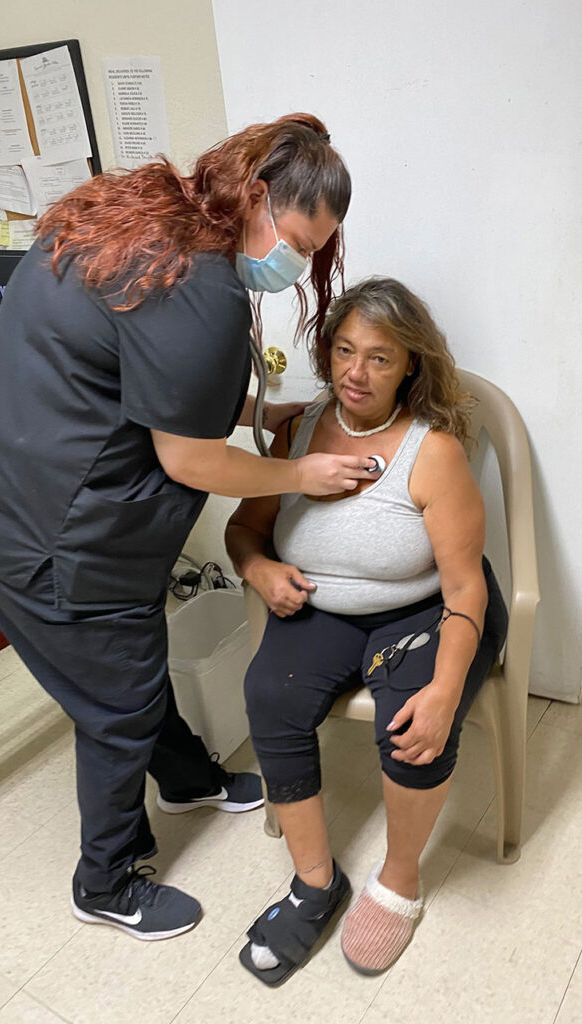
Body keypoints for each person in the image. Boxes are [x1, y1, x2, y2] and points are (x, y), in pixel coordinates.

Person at [0, 114, 379, 941]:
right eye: (295, 240)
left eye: (314, 252)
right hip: (39, 524)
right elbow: (191, 462)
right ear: (254, 195)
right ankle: (105, 880)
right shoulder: (199, 288)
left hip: (0, 471)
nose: (296, 266)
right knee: (118, 696)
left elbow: (139, 375)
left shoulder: (140, 211)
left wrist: (257, 409)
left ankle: (183, 778)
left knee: (130, 662)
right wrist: (300, 474)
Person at [226, 277, 509, 984]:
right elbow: (243, 530)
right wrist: (258, 570)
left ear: (410, 363)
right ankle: (314, 883)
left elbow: (465, 585)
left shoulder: (432, 450)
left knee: (412, 723)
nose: (356, 372)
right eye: (344, 350)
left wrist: (446, 689)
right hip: (323, 607)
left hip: (426, 608)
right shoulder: (296, 430)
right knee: (269, 691)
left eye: (379, 357)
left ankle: (399, 879)